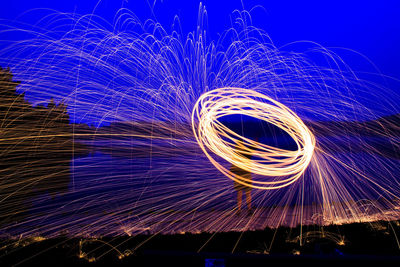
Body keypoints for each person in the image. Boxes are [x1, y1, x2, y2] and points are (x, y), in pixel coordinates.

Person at [230, 141, 253, 215]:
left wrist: (231, 172)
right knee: (246, 194)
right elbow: (233, 165)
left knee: (243, 194)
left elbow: (233, 165)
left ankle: (244, 209)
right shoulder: (244, 153)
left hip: (241, 176)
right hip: (245, 176)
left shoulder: (238, 154)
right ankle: (245, 209)